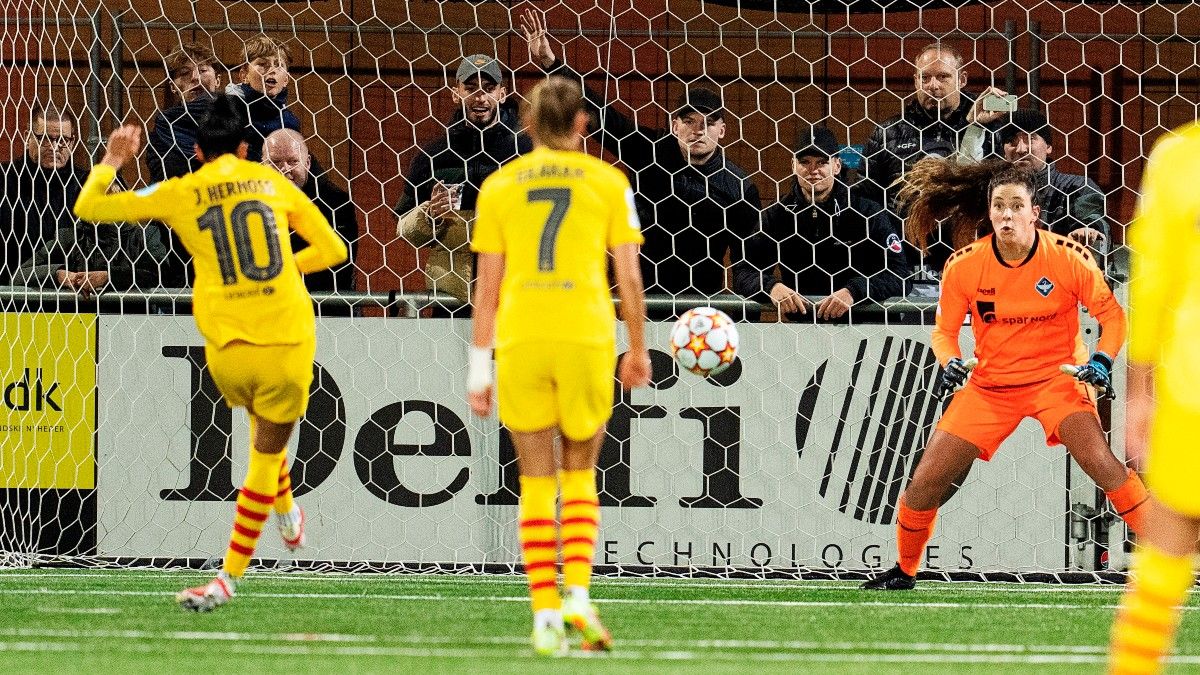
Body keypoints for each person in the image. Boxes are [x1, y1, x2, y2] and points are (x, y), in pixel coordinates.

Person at [73, 94, 348, 610]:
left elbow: (88, 207)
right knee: (266, 455)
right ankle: (228, 576)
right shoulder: (274, 184)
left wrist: (111, 159)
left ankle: (288, 516)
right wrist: (282, 268)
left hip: (226, 350)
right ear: (246, 146)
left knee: (259, 430)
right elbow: (335, 250)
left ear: (196, 150)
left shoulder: (181, 190)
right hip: (286, 339)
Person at [861, 161, 1148, 591]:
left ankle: (1173, 558)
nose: (1007, 215)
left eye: (1017, 205)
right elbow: (943, 332)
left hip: (1057, 381)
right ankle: (904, 570)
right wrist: (948, 361)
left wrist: (1102, 362)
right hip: (990, 388)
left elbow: (1112, 317)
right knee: (924, 482)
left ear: (1035, 212)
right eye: (1000, 206)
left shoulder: (1068, 258)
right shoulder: (964, 265)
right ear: (990, 212)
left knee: (1103, 465)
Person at [466, 76, 651, 655]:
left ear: (525, 125)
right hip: (585, 337)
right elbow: (628, 275)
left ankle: (544, 614)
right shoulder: (608, 181)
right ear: (581, 125)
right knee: (580, 472)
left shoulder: (498, 186)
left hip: (522, 339)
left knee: (535, 478)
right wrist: (638, 346)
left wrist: (479, 363)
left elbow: (486, 286)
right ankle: (577, 594)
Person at [521, 9, 761, 316]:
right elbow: (603, 118)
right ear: (674, 126)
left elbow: (748, 263)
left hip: (703, 310)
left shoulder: (738, 186)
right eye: (688, 121)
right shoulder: (652, 152)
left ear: (723, 130)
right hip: (644, 302)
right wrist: (552, 64)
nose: (698, 130)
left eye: (709, 122)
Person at [1108, 124, 1200, 674]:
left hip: (1192, 387)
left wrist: (1139, 391)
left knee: (1165, 559)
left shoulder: (1181, 157)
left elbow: (1153, 281)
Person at [395, 53, 532, 315]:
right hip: (450, 300)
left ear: (502, 94)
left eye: (488, 89)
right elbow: (403, 226)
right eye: (470, 88)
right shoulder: (433, 155)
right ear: (455, 94)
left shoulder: (527, 152)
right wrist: (430, 214)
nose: (480, 97)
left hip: (515, 296)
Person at [732, 125, 908, 321]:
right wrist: (772, 287)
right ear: (793, 166)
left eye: (822, 162)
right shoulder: (777, 214)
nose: (813, 170)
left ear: (837, 166)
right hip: (804, 334)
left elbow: (900, 275)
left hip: (862, 330)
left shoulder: (867, 212)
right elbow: (743, 271)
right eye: (805, 162)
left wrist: (855, 291)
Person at [860, 42, 1007, 275]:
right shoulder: (888, 133)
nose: (933, 85)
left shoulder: (992, 129)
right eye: (925, 78)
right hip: (906, 260)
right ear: (916, 81)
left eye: (943, 77)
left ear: (962, 79)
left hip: (973, 256)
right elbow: (866, 200)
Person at [957, 108, 1110, 252]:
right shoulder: (991, 189)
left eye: (1030, 139)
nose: (1021, 149)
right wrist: (975, 127)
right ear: (1003, 150)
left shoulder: (1075, 187)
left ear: (1048, 146)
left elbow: (1094, 219)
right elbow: (960, 180)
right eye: (1012, 141)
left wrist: (1089, 231)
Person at [263, 129, 359, 315]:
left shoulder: (335, 202)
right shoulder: (249, 203)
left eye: (293, 161)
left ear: (307, 163)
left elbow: (340, 263)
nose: (284, 170)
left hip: (324, 312)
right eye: (275, 163)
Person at [1, 104, 88, 287]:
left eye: (63, 139)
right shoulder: (5, 180)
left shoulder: (85, 184)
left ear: (72, 142)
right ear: (27, 138)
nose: (55, 146)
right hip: (11, 295)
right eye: (46, 138)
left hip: (74, 299)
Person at [147, 42, 224, 182]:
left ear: (218, 80)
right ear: (173, 87)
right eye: (184, 73)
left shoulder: (238, 119)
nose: (195, 77)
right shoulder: (162, 129)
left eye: (203, 70)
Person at [225, 34, 302, 163]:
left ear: (286, 80)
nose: (272, 70)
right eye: (262, 64)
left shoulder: (289, 122)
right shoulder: (228, 111)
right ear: (244, 75)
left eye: (279, 65)